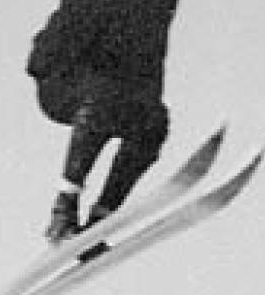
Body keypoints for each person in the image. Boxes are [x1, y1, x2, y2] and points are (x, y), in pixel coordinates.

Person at [26, 0, 178, 243]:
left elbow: (152, 66)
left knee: (155, 120)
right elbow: (59, 38)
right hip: (59, 80)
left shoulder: (158, 9)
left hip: (111, 92)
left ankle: (101, 220)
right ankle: (64, 208)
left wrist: (145, 111)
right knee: (105, 98)